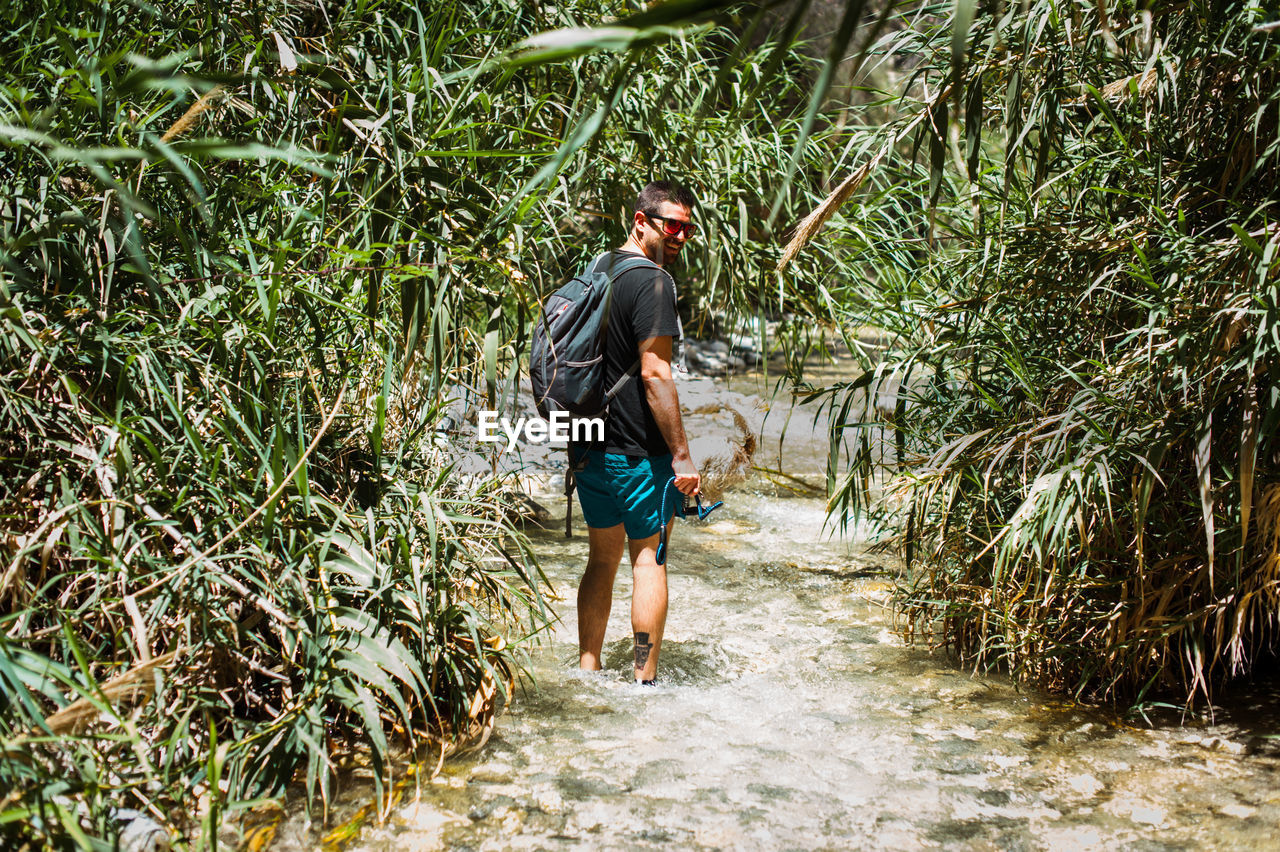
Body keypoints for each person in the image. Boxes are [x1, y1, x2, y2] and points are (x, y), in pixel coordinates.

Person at [572, 180, 701, 684]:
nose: (681, 236)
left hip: (586, 444)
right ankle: (643, 684)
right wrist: (682, 456)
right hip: (632, 449)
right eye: (672, 224)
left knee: (601, 556)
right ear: (640, 220)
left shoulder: (598, 270)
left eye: (687, 228)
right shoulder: (653, 283)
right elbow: (655, 373)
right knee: (649, 557)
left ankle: (588, 671)